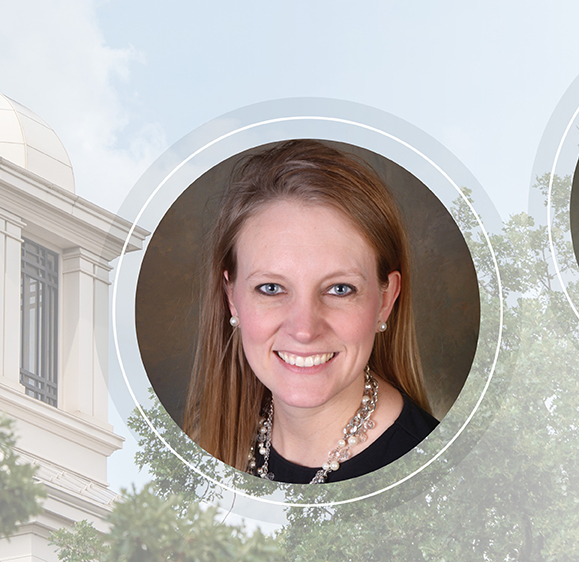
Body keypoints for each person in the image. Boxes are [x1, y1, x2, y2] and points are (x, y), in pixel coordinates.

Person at [182, 139, 438, 483]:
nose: (304, 329)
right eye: (271, 288)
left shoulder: (438, 477)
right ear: (232, 297)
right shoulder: (202, 440)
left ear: (386, 299)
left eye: (339, 289)